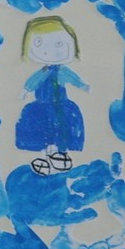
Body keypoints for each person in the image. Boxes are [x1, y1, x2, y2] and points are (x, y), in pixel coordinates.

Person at [13, 15, 87, 174]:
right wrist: (25, 90)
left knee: (63, 127)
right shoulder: (43, 72)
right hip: (42, 105)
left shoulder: (61, 71)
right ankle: (46, 157)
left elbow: (73, 78)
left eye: (59, 44)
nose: (49, 51)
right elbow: (33, 82)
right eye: (39, 44)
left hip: (61, 106)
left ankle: (61, 153)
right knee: (44, 130)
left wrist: (83, 85)